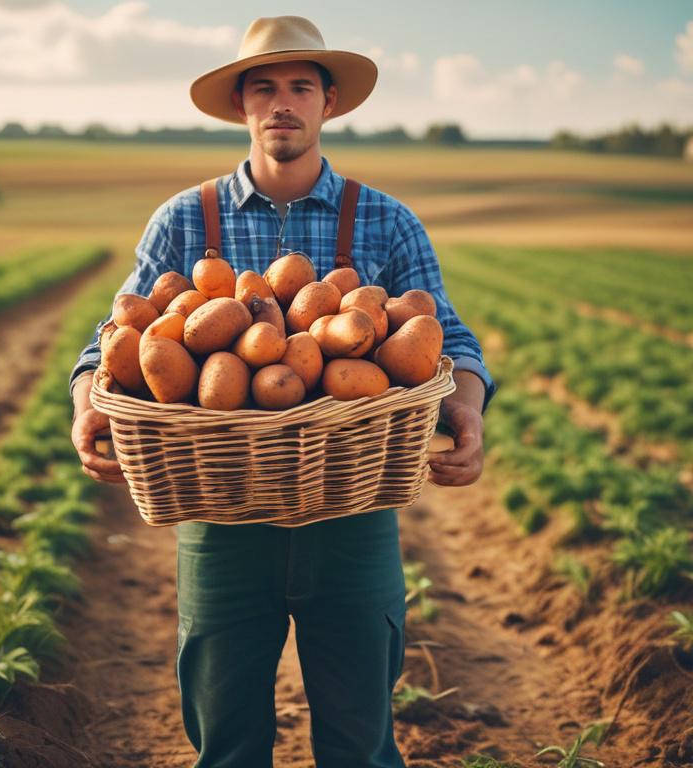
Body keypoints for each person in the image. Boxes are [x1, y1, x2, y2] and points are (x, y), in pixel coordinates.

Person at [69, 15, 496, 768]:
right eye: (263, 87)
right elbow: (109, 345)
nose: (282, 103)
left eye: (301, 86)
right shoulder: (183, 220)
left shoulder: (388, 221)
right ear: (241, 106)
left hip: (354, 512)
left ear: (329, 103)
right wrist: (87, 411)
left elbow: (450, 340)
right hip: (218, 509)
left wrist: (465, 404)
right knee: (226, 739)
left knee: (361, 742)